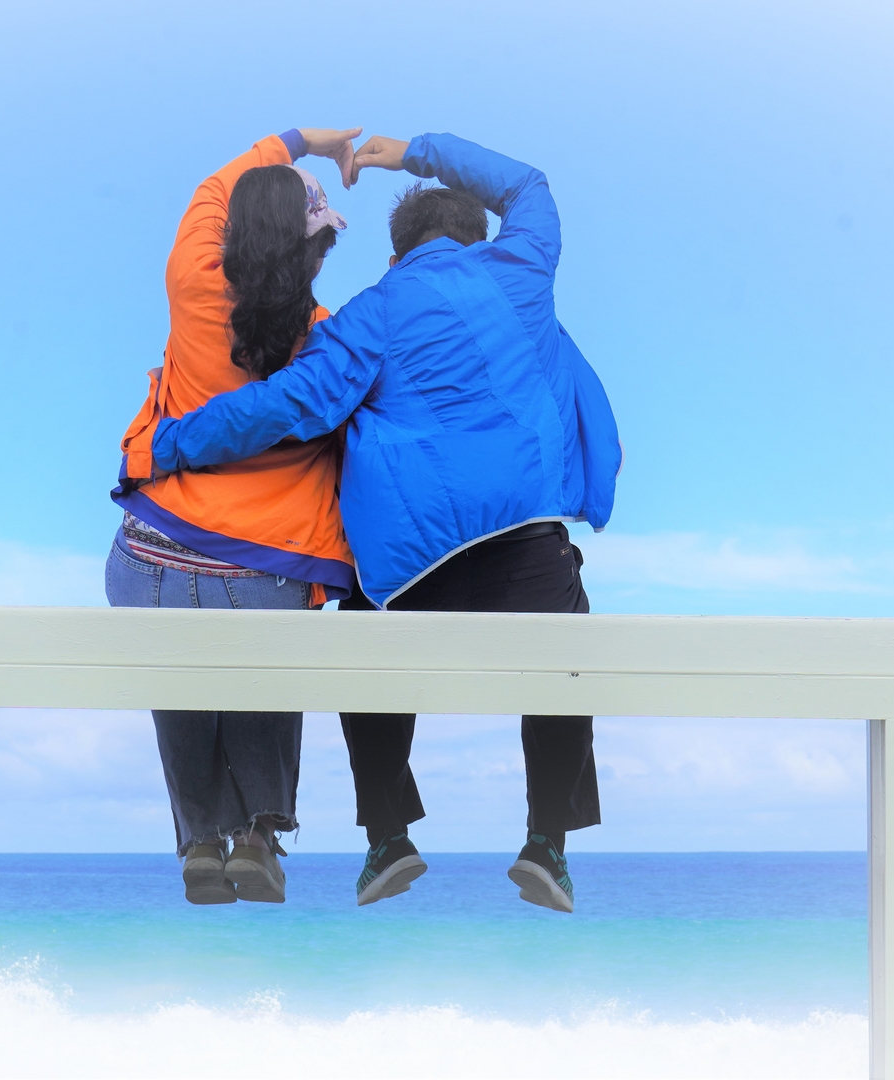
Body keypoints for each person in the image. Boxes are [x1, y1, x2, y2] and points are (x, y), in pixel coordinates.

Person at [149, 132, 623, 913]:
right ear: (476, 238)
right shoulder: (521, 269)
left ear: (396, 255)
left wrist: (170, 442)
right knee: (564, 665)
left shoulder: (367, 316)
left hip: (408, 573)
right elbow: (527, 184)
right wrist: (414, 152)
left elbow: (285, 406)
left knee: (361, 650)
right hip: (526, 550)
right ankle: (546, 845)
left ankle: (387, 837)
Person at [107, 126, 363, 906]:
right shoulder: (324, 343)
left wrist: (300, 141)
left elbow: (213, 187)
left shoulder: (191, 281)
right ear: (311, 256)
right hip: (264, 565)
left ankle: (197, 842)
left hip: (150, 553)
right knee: (263, 684)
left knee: (179, 691)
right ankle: (256, 834)